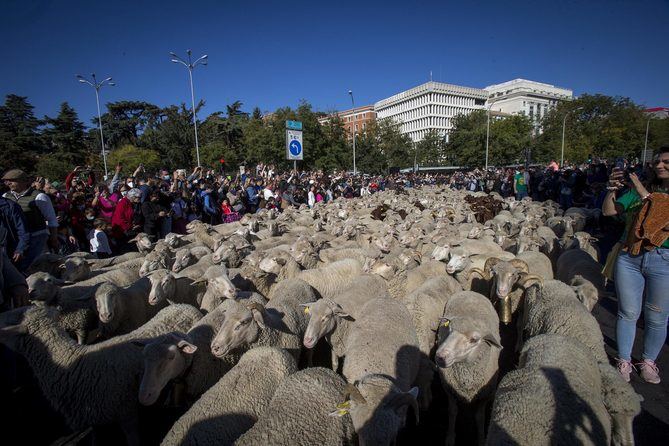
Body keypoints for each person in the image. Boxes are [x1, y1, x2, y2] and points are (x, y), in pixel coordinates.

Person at [602, 147, 669, 384]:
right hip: (630, 256)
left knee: (657, 315)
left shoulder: (644, 191)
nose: (660, 165)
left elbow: (659, 211)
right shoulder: (640, 190)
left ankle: (648, 360)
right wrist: (612, 189)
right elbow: (609, 211)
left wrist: (639, 187)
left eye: (666, 162)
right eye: (657, 162)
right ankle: (624, 359)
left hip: (664, 259)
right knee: (628, 312)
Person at [2, 169, 59, 271]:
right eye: (6, 181)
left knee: (37, 265)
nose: (8, 183)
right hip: (18, 238)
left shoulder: (39, 196)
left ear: (24, 181)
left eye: (12, 180)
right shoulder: (6, 197)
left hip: (37, 236)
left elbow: (51, 219)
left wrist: (54, 238)